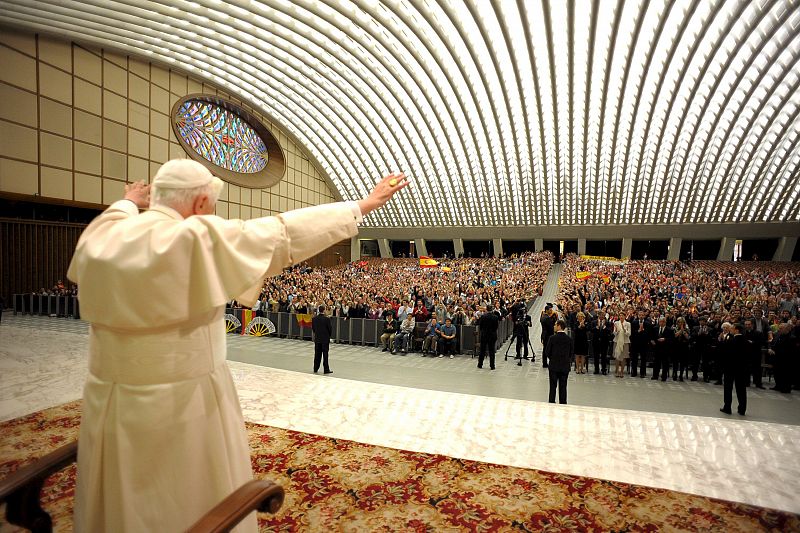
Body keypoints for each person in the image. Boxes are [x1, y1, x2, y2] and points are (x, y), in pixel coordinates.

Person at [66, 158, 408, 532]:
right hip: (181, 401)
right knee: (184, 493)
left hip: (109, 399)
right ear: (199, 205)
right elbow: (283, 233)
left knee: (119, 496)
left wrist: (130, 200)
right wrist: (364, 205)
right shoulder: (195, 237)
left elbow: (115, 216)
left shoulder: (104, 234)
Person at [720, 323, 750, 416]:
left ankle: (727, 407)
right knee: (741, 389)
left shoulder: (731, 341)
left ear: (737, 330)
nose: (731, 330)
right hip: (742, 368)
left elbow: (725, 353)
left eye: (732, 328)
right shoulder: (746, 341)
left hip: (730, 368)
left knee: (728, 388)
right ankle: (742, 409)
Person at [545, 320, 574, 404]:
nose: (554, 326)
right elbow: (571, 353)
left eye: (555, 325)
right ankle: (563, 403)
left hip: (554, 365)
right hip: (565, 366)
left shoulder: (552, 338)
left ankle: (551, 402)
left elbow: (547, 352)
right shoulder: (569, 339)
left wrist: (552, 358)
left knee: (553, 386)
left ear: (559, 326)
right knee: (563, 386)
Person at [629, 309, 652, 377]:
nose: (641, 316)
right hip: (635, 343)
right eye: (640, 315)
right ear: (638, 316)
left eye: (642, 315)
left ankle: (642, 373)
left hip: (644, 343)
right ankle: (634, 372)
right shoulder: (634, 323)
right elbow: (632, 334)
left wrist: (643, 330)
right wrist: (638, 331)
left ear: (644, 316)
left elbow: (649, 334)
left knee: (643, 359)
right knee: (634, 358)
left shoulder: (648, 324)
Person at [477, 304, 500, 370]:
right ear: (492, 309)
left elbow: (480, 326)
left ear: (486, 309)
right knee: (492, 351)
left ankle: (480, 364)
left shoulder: (483, 316)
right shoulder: (495, 317)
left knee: (482, 350)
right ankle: (492, 366)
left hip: (484, 335)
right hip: (492, 335)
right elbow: (496, 327)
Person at [312, 305, 333, 374]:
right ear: (324, 310)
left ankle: (315, 368)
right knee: (325, 354)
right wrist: (328, 336)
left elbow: (314, 329)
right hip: (325, 339)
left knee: (317, 354)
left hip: (317, 338)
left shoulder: (314, 319)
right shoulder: (327, 319)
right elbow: (330, 329)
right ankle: (326, 369)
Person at [651, 317, 673, 381]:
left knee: (665, 364)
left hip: (665, 349)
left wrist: (665, 339)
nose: (662, 323)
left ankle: (664, 377)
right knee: (656, 363)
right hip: (657, 348)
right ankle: (655, 375)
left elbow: (671, 339)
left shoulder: (669, 330)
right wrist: (652, 341)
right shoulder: (655, 328)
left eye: (663, 322)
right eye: (660, 321)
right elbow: (652, 337)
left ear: (665, 322)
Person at [613, 313, 631, 377]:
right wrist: (617, 331)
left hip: (625, 342)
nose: (621, 317)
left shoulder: (628, 324)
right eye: (620, 315)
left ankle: (622, 372)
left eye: (622, 315)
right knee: (617, 357)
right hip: (617, 341)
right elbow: (614, 333)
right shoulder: (616, 323)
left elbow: (629, 334)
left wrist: (624, 329)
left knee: (623, 358)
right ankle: (617, 371)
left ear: (625, 316)